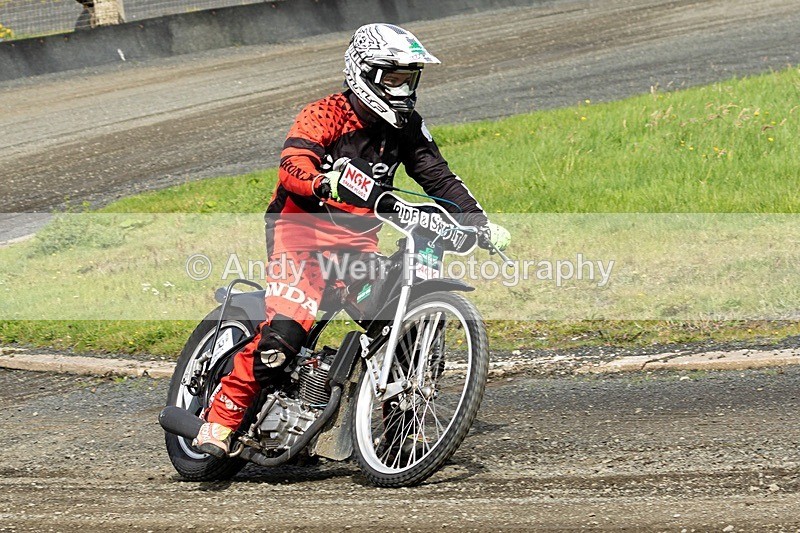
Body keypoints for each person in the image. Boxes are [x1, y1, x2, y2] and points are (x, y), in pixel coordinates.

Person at [193, 23, 511, 456]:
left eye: (409, 78)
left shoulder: (407, 126)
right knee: (283, 336)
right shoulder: (325, 113)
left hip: (356, 247)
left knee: (397, 332)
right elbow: (291, 164)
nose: (402, 88)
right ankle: (219, 421)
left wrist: (479, 222)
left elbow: (438, 177)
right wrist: (322, 182)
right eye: (392, 77)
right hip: (299, 234)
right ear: (363, 71)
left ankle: (400, 436)